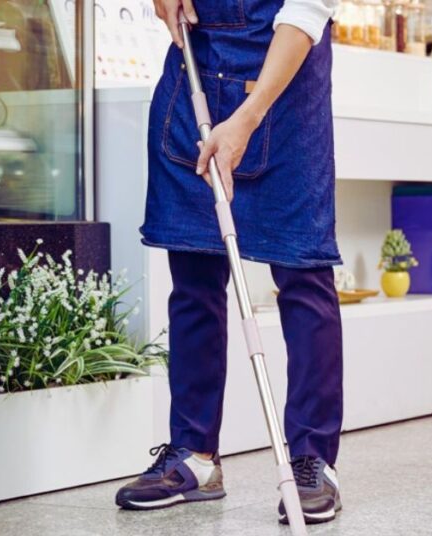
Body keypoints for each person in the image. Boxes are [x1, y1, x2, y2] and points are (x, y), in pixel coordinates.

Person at [114, 0, 344, 525]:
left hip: (284, 96)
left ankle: (313, 460)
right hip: (196, 79)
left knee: (303, 275)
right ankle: (193, 457)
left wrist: (247, 116)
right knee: (193, 276)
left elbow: (306, 13)